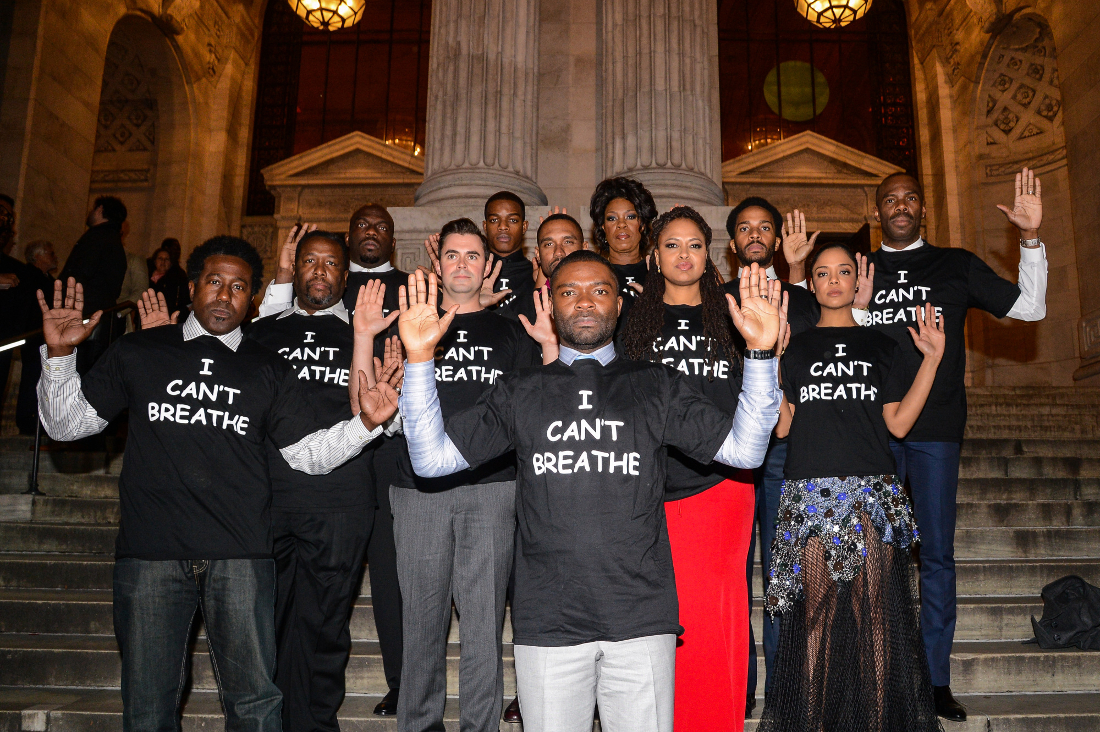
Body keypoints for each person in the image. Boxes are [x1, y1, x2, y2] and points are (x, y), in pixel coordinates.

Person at [397, 251, 782, 732]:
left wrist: (762, 355)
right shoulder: (521, 388)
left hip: (641, 616)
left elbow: (745, 452)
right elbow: (430, 460)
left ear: (619, 304)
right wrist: (417, 359)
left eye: (599, 290)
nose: (583, 301)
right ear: (551, 305)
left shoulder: (655, 383)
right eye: (568, 291)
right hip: (548, 620)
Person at [36, 236, 402, 732]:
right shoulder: (140, 350)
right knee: (148, 707)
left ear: (253, 298)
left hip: (242, 558)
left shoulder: (266, 365)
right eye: (214, 282)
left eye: (238, 287)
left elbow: (308, 456)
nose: (224, 295)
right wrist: (58, 355)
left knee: (255, 705)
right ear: (191, 288)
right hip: (150, 556)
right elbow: (64, 425)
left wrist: (366, 423)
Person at [850, 168, 1047, 721]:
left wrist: (1029, 240)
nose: (901, 205)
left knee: (935, 556)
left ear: (923, 208)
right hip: (874, 432)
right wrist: (861, 308)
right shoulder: (861, 269)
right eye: (890, 199)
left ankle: (936, 680)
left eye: (910, 197)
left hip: (935, 431)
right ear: (877, 211)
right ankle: (879, 675)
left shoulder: (955, 264)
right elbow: (840, 339)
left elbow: (1030, 308)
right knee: (873, 560)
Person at [758, 242, 946, 731]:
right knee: (814, 620)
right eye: (822, 273)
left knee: (876, 620)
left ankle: (882, 721)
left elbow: (900, 425)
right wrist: (766, 360)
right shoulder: (794, 346)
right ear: (812, 284)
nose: (834, 280)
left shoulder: (882, 344)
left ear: (855, 281)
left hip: (871, 496)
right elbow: (781, 428)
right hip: (811, 497)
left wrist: (931, 360)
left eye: (843, 271)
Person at [388, 218, 540, 732]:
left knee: (483, 625)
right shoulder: (410, 323)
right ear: (438, 262)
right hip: (417, 491)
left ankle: (481, 726)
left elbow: (529, 406)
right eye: (452, 254)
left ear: (486, 266)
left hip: (493, 489)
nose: (461, 264)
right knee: (422, 622)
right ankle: (420, 724)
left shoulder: (510, 330)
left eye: (472, 256)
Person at [620, 206, 767, 730]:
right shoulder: (630, 320)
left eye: (695, 245)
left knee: (716, 613)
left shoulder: (734, 314)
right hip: (648, 490)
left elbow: (755, 399)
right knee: (659, 616)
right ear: (654, 255)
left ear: (711, 254)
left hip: (721, 485)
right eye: (672, 245)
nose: (684, 255)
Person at [259, 204, 408, 716]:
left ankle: (315, 722)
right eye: (308, 262)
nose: (319, 271)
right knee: (268, 621)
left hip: (342, 501)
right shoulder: (262, 334)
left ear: (345, 277)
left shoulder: (364, 335)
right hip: (270, 500)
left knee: (325, 628)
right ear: (294, 270)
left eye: (329, 264)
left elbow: (389, 422)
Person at [724, 196, 820, 711]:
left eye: (765, 228)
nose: (755, 235)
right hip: (733, 456)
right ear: (732, 241)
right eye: (746, 228)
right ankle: (738, 688)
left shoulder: (803, 302)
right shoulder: (718, 298)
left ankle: (784, 689)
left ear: (777, 239)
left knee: (784, 574)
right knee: (734, 575)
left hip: (786, 451)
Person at [59, 195, 129, 373]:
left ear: (100, 210)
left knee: (70, 377)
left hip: (81, 320)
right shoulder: (115, 244)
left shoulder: (96, 238)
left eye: (93, 209)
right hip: (100, 321)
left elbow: (77, 277)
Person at [588, 177, 658, 320]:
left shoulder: (659, 271)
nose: (621, 224)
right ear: (603, 227)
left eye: (630, 217)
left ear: (642, 225)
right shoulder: (593, 273)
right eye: (612, 218)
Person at [15, 241, 57, 434]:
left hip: (44, 336)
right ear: (37, 256)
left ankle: (38, 418)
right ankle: (27, 419)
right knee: (32, 376)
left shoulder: (47, 278)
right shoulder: (29, 275)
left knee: (42, 376)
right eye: (49, 253)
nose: (53, 256)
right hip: (34, 336)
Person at [482, 190, 536, 314]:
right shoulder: (473, 272)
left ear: (524, 227)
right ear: (485, 227)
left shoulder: (536, 275)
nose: (503, 226)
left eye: (512, 220)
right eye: (494, 220)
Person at [148, 246, 192, 315]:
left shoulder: (176, 280)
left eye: (167, 259)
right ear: (155, 261)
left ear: (171, 263)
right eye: (160, 258)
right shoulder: (146, 277)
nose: (163, 261)